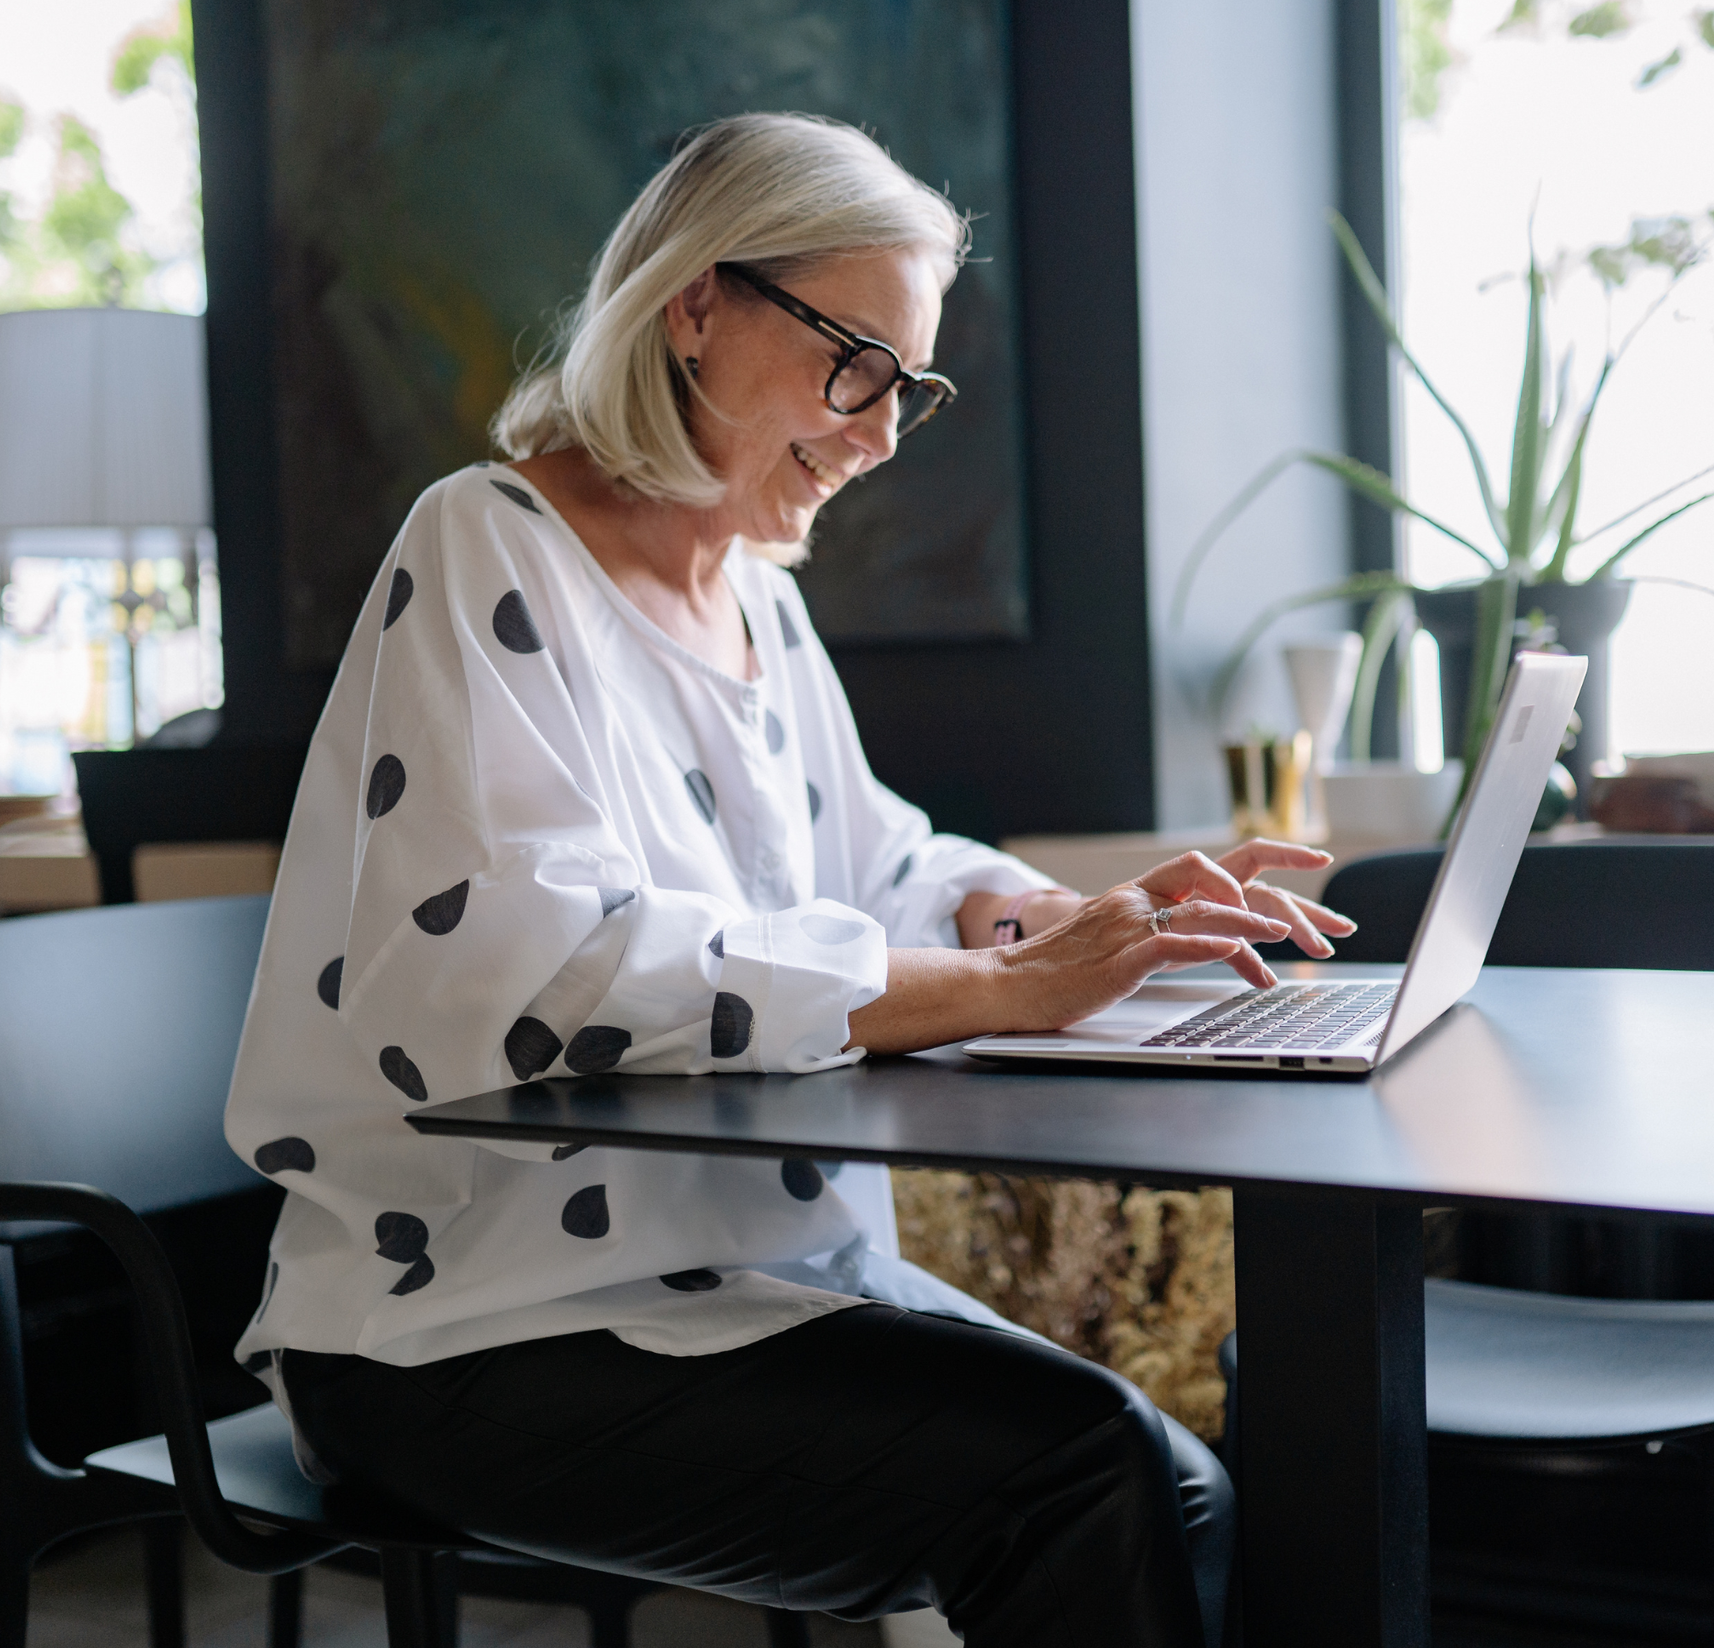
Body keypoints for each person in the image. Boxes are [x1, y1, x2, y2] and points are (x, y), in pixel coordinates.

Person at [225, 112, 1354, 1647]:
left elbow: (873, 861)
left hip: (742, 1278)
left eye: (912, 386)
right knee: (1084, 1475)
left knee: (1183, 1486)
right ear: (695, 303)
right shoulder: (490, 549)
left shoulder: (753, 601)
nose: (883, 432)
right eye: (856, 363)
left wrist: (1035, 919)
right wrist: (1009, 988)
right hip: (467, 1328)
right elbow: (545, 965)